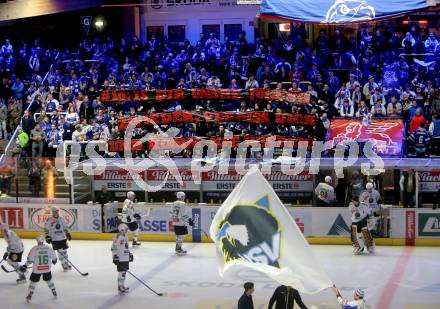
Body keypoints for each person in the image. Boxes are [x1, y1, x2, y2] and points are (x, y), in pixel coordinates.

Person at [21, 235, 58, 303]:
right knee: (49, 280)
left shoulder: (34, 248)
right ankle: (54, 291)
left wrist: (25, 266)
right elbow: (54, 259)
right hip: (47, 269)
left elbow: (30, 260)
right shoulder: (48, 248)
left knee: (33, 282)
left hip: (37, 270)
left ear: (37, 241)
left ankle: (30, 294)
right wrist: (54, 260)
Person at [44, 207, 72, 271]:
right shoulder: (50, 219)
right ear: (52, 212)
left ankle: (66, 263)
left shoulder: (61, 218)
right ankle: (63, 264)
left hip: (63, 237)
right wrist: (47, 236)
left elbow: (65, 227)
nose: (56, 212)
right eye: (55, 211)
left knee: (65, 252)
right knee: (60, 252)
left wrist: (67, 233)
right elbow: (46, 228)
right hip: (55, 239)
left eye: (57, 211)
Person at [111, 223, 133, 294]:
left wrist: (130, 254)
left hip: (125, 257)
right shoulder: (117, 237)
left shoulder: (125, 236)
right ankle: (120, 286)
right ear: (121, 230)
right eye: (125, 230)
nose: (127, 231)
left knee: (124, 272)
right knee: (122, 272)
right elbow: (113, 248)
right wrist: (115, 256)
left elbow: (126, 246)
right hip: (120, 258)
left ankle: (122, 285)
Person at [169, 191, 193, 255]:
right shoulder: (183, 203)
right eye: (184, 196)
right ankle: (178, 249)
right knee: (181, 236)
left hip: (175, 221)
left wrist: (173, 218)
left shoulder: (173, 203)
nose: (184, 197)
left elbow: (170, 213)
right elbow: (183, 214)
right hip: (181, 222)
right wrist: (189, 220)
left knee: (178, 236)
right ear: (182, 196)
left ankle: (178, 248)